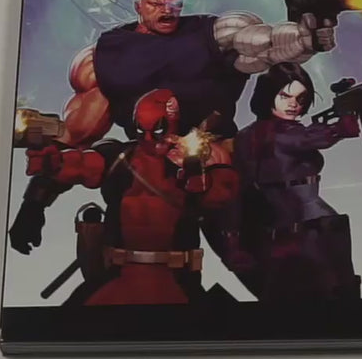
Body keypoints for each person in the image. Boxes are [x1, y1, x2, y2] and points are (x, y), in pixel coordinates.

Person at [9, 0, 335, 291]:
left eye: (174, 4)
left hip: (213, 158)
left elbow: (263, 45)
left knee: (281, 267)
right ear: (138, 5)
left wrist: (302, 39)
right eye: (156, 3)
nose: (167, 11)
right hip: (146, 162)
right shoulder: (106, 57)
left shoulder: (213, 35)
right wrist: (33, 204)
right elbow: (74, 138)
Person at [23, 89, 238, 305]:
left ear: (172, 123)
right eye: (140, 130)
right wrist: (51, 172)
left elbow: (225, 193)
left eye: (157, 130)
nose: (147, 138)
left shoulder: (201, 159)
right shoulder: (119, 157)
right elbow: (81, 164)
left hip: (177, 281)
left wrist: (201, 182)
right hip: (116, 277)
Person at [234, 62, 362, 301]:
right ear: (268, 94)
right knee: (330, 291)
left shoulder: (247, 134)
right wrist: (339, 127)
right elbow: (300, 139)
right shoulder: (275, 133)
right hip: (302, 225)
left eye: (300, 98)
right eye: (285, 96)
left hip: (284, 223)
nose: (294, 104)